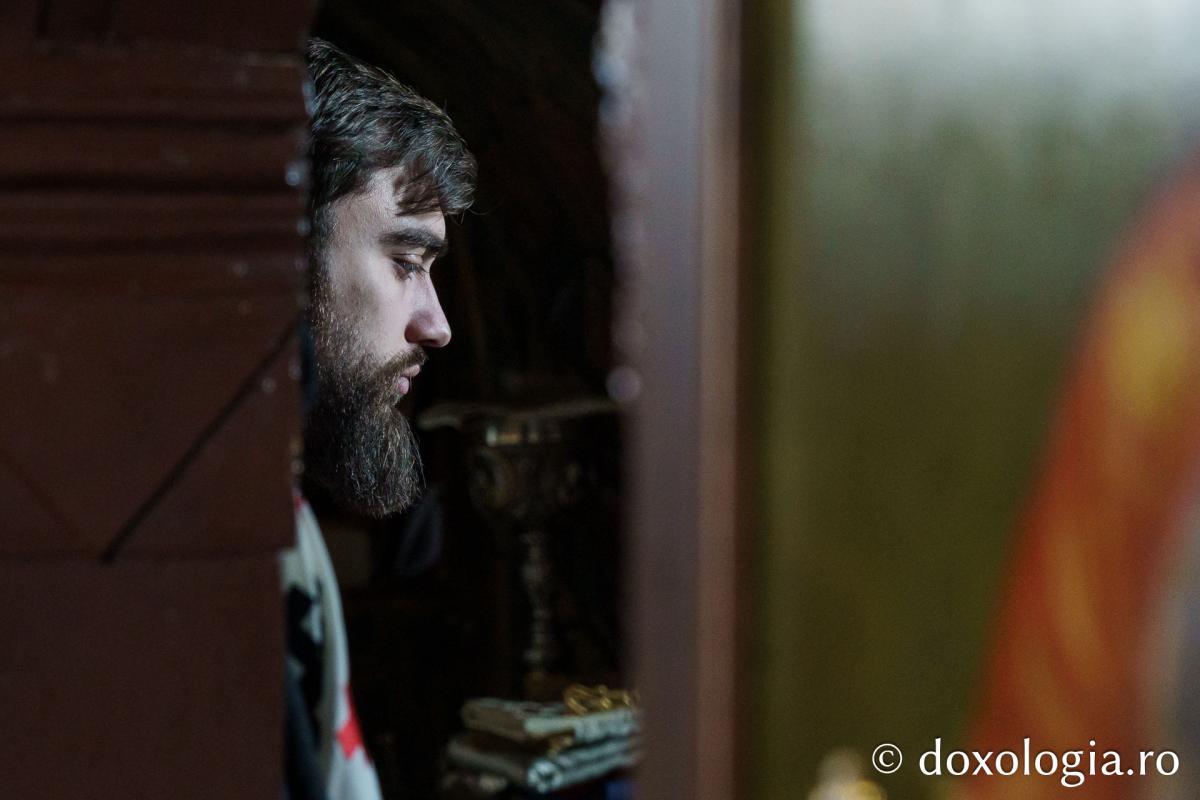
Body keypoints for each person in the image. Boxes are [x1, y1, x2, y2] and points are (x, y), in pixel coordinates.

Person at [283, 38, 477, 800]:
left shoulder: (280, 521)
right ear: (287, 253)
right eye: (405, 261)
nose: (438, 325)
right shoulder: (213, 542)